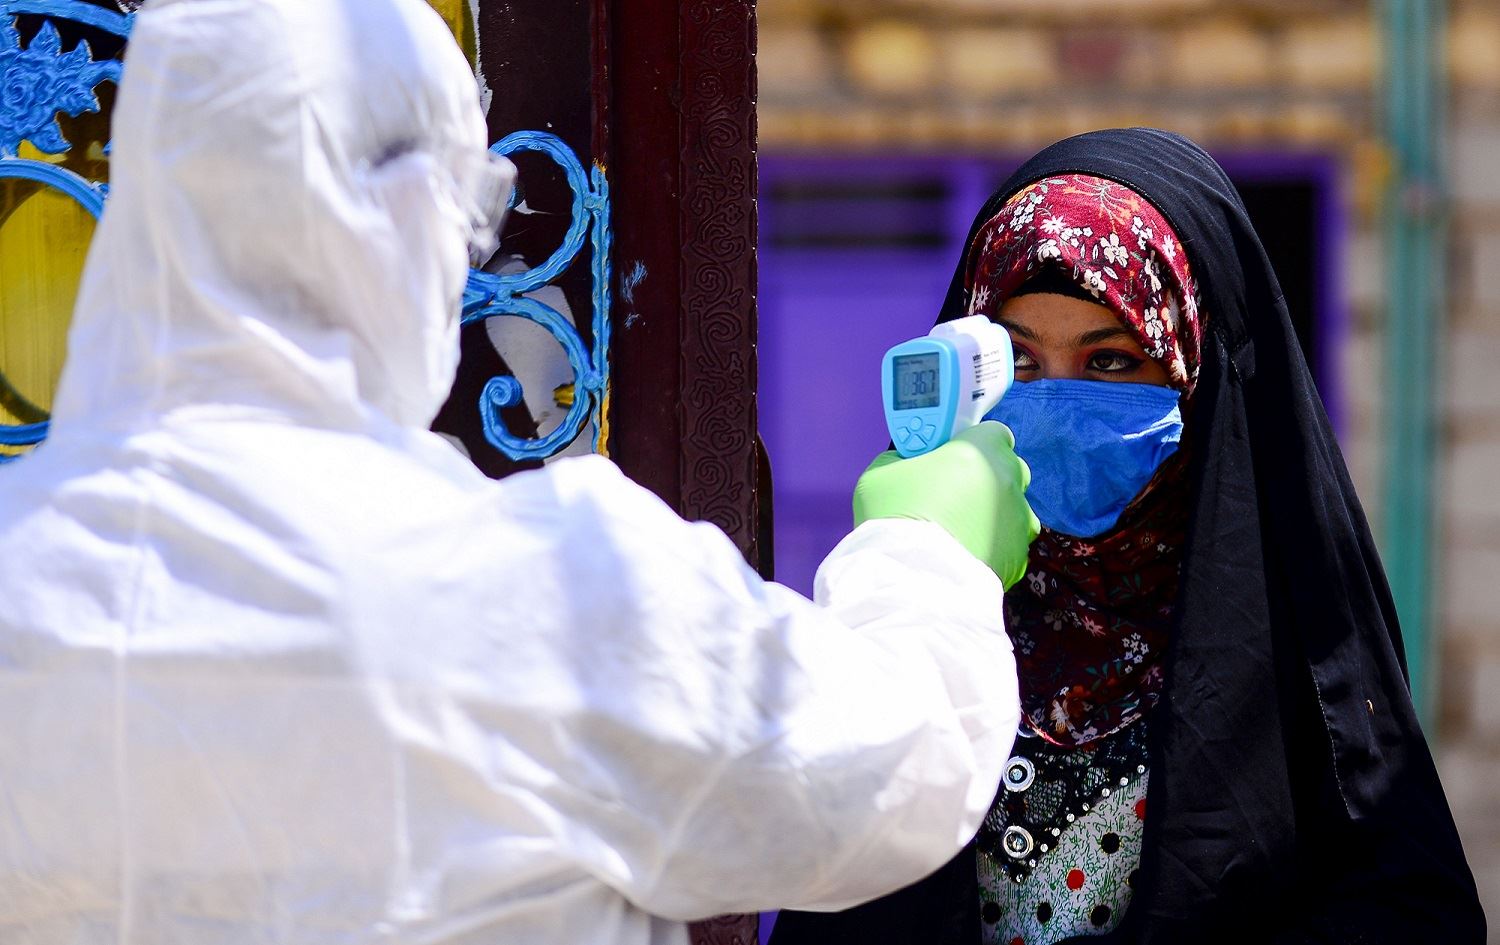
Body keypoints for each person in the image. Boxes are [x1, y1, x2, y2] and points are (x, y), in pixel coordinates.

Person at [0, 1, 1043, 943]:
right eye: (469, 206)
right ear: (394, 211)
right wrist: (928, 550)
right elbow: (882, 779)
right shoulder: (543, 593)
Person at [769, 129, 1486, 944]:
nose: (1056, 403)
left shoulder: (1294, 663)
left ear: (1195, 369)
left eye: (1111, 361)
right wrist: (914, 560)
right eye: (1018, 364)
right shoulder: (923, 615)